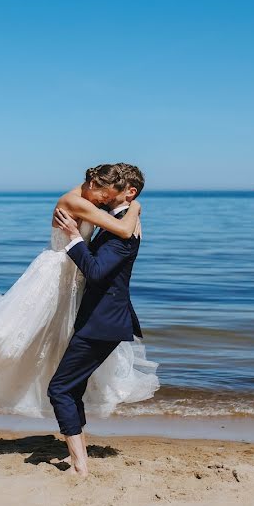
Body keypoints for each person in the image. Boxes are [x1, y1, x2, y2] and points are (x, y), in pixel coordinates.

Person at [0, 164, 158, 427]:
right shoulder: (77, 202)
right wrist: (136, 208)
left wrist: (127, 207)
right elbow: (123, 230)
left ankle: (63, 400)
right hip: (57, 273)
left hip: (72, 275)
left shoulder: (88, 199)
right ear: (93, 185)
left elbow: (114, 218)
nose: (106, 202)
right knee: (11, 333)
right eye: (104, 195)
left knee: (50, 342)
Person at [47, 162, 147, 476]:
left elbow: (96, 271)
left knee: (59, 389)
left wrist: (75, 237)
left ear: (128, 193)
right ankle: (80, 459)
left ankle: (80, 465)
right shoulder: (118, 220)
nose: (103, 197)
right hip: (97, 317)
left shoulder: (125, 234)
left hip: (103, 321)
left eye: (111, 190)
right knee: (70, 387)